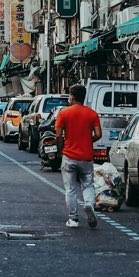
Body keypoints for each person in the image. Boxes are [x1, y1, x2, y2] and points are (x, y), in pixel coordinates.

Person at [54, 84, 104, 230]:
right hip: (86, 156)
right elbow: (99, 134)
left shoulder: (64, 113)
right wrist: (89, 141)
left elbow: (58, 135)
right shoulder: (92, 114)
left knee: (70, 189)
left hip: (69, 156)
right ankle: (89, 204)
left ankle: (73, 219)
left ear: (72, 97)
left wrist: (60, 149)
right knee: (87, 184)